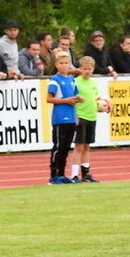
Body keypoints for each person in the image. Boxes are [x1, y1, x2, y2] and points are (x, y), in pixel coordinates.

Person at [67, 56, 103, 183]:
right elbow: (72, 99)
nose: (87, 71)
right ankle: (74, 174)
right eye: (85, 69)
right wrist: (75, 116)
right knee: (79, 146)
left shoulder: (93, 83)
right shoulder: (76, 82)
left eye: (90, 69)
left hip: (91, 116)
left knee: (87, 146)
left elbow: (96, 99)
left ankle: (86, 173)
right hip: (80, 117)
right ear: (80, 69)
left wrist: (102, 106)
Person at [46, 52, 79, 184]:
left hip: (71, 117)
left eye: (66, 63)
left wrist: (79, 100)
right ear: (56, 65)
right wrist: (66, 100)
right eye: (61, 63)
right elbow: (49, 98)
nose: (64, 66)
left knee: (66, 148)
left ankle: (62, 174)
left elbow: (74, 97)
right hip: (60, 118)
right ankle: (54, 175)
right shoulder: (55, 80)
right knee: (58, 147)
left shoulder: (71, 80)